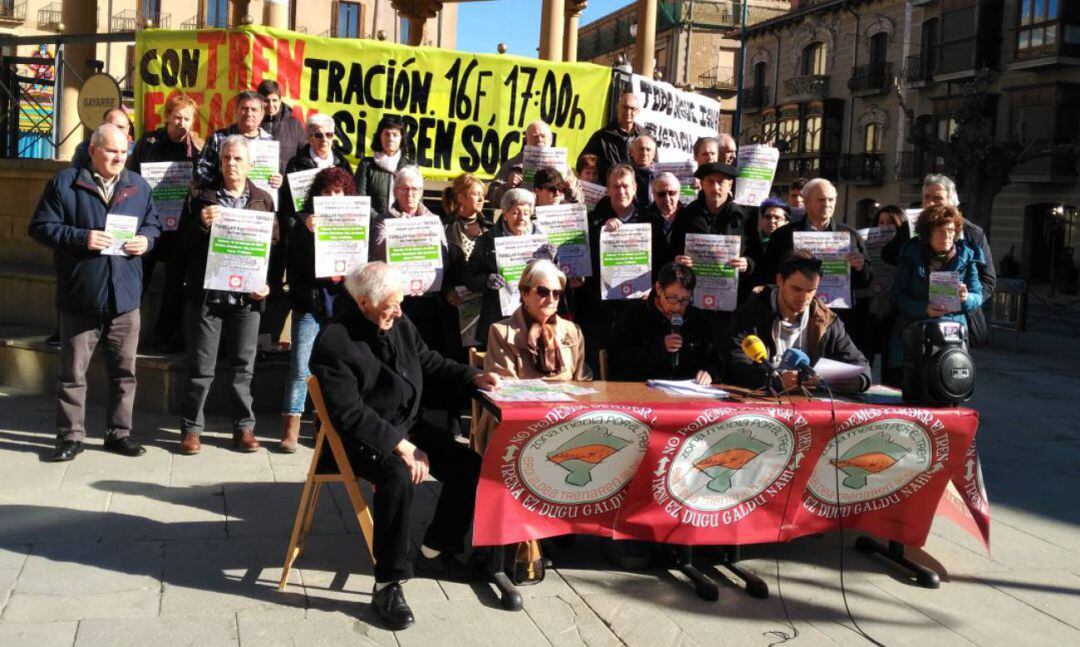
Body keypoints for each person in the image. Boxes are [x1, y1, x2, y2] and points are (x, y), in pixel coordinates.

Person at [308, 262, 501, 631]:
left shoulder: (398, 322)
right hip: (359, 439)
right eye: (390, 305)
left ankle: (434, 551)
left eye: (400, 303)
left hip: (405, 425)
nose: (398, 311)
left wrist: (472, 375)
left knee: (468, 465)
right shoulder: (335, 340)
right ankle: (388, 583)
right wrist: (402, 447)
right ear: (363, 302)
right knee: (396, 476)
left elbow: (428, 360)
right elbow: (348, 414)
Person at [29, 122, 160, 461]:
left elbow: (153, 224)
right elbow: (41, 227)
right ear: (92, 150)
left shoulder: (138, 187)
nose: (119, 156)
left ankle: (119, 434)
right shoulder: (65, 183)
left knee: (125, 373)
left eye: (123, 151)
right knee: (73, 374)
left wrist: (146, 240)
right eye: (112, 150)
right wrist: (81, 238)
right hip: (81, 296)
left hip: (125, 297)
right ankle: (70, 437)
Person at [472, 258, 591, 585]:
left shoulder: (571, 331)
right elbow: (504, 387)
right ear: (524, 293)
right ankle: (521, 540)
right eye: (542, 291)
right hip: (515, 426)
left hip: (564, 423)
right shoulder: (501, 331)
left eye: (556, 293)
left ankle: (562, 526)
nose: (550, 299)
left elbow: (583, 381)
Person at [176, 135, 276, 455]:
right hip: (209, 296)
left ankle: (244, 428)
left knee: (243, 366)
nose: (231, 164)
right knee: (200, 367)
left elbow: (275, 249)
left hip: (247, 299)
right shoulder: (200, 197)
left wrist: (268, 283)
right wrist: (200, 224)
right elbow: (179, 245)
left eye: (237, 159)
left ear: (249, 165)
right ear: (220, 163)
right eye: (226, 159)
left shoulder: (262, 199)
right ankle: (191, 430)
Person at [279, 167, 356, 452]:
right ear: (317, 195)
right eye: (327, 192)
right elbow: (294, 265)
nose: (333, 196)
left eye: (339, 192)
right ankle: (291, 427)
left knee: (334, 369)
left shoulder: (355, 222)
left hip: (341, 307)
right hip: (310, 304)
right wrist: (308, 234)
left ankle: (324, 428)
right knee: (300, 367)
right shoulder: (303, 223)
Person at [724, 250, 871, 394]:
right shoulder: (750, 314)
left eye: (811, 291)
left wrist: (858, 382)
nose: (804, 298)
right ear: (780, 281)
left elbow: (860, 365)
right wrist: (774, 381)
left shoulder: (826, 320)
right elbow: (735, 365)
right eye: (796, 289)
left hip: (810, 408)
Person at [128, 93, 204, 352]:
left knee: (174, 285)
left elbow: (206, 182)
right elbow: (130, 176)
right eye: (177, 117)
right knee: (138, 279)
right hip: (148, 221)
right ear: (167, 117)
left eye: (187, 119)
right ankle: (124, 334)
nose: (182, 123)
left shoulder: (199, 147)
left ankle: (164, 336)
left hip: (181, 226)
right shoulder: (148, 142)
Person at [881, 174, 995, 344]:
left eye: (937, 198)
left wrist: (965, 299)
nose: (931, 203)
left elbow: (988, 280)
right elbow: (889, 258)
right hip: (914, 324)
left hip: (957, 324)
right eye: (927, 197)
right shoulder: (910, 231)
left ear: (952, 201)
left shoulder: (973, 234)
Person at [889, 205, 983, 383]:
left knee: (946, 389)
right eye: (940, 231)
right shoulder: (911, 254)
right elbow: (898, 295)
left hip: (952, 336)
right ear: (927, 233)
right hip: (915, 334)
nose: (946, 236)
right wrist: (924, 309)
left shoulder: (967, 256)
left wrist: (966, 298)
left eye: (950, 230)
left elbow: (977, 295)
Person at [762, 179, 870, 308]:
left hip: (835, 314)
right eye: (821, 200)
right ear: (806, 201)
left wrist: (860, 267)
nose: (827, 204)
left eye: (831, 200)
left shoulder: (850, 235)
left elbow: (866, 280)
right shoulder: (783, 235)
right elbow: (768, 274)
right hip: (793, 311)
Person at [465, 188, 551, 348]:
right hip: (499, 319)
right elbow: (470, 277)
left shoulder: (542, 240)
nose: (521, 218)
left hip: (536, 320)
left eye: (525, 213)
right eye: (515, 212)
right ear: (504, 214)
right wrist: (486, 280)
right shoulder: (487, 241)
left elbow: (555, 282)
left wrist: (552, 262)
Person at [609, 263, 719, 384]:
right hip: (643, 390)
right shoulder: (634, 316)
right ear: (659, 288)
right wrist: (659, 348)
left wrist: (708, 372)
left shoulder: (699, 319)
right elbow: (619, 361)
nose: (678, 306)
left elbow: (714, 360)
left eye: (685, 300)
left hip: (688, 392)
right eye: (672, 298)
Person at [669, 162, 761, 303]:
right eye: (710, 182)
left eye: (721, 182)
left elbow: (757, 254)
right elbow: (672, 251)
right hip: (693, 296)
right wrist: (678, 261)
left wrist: (747, 264)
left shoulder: (745, 217)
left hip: (734, 297)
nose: (715, 187)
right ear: (702, 184)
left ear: (730, 185)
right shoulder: (686, 215)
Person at [195, 91, 283, 190]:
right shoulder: (219, 138)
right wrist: (221, 185)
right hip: (222, 201)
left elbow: (276, 173)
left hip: (258, 202)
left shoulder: (270, 142)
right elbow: (200, 170)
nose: (249, 113)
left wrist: (278, 179)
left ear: (262, 114)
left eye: (254, 110)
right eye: (244, 109)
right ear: (236, 111)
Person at [282, 113, 354, 233]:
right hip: (305, 232)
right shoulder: (296, 164)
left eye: (329, 135)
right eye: (319, 135)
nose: (324, 140)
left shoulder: (342, 163)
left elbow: (350, 196)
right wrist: (305, 219)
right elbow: (289, 203)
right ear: (310, 138)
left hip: (336, 230)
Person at [354, 115, 416, 217]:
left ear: (402, 138)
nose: (390, 139)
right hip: (374, 226)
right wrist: (380, 220)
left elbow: (417, 200)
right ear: (380, 137)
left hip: (402, 226)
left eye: (395, 135)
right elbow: (359, 199)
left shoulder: (410, 166)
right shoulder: (366, 165)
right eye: (387, 134)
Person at [580, 92, 641, 183]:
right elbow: (582, 165)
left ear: (638, 111)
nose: (628, 112)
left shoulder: (645, 137)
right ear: (618, 108)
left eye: (632, 108)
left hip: (639, 194)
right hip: (609, 193)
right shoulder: (601, 137)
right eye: (625, 107)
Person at [257, 79, 307, 172]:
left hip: (286, 183)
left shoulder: (295, 124)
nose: (271, 105)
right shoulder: (253, 124)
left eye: (274, 100)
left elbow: (305, 157)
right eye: (266, 101)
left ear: (280, 100)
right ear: (259, 101)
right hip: (257, 182)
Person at [646, 172, 683, 278]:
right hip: (652, 284)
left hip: (681, 285)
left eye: (672, 193)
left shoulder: (691, 218)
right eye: (661, 194)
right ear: (653, 193)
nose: (667, 199)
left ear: (679, 192)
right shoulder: (642, 220)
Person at [628, 134, 657, 208]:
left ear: (653, 154)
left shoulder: (661, 173)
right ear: (631, 152)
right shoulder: (623, 173)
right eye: (641, 149)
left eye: (648, 149)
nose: (644, 153)